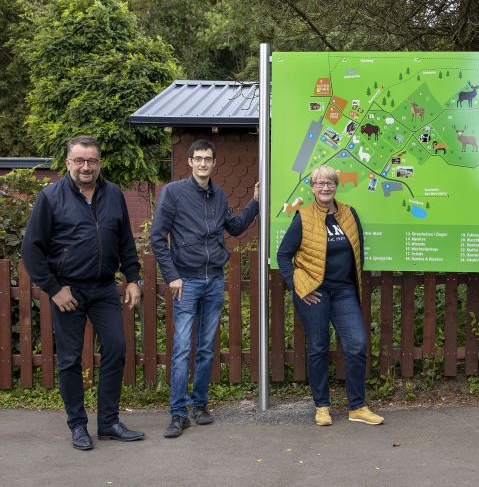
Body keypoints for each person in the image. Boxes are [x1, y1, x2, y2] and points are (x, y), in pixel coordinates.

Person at [21, 135, 144, 450]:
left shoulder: (113, 194)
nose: (86, 167)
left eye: (91, 161)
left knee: (116, 349)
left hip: (104, 289)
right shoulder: (50, 198)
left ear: (99, 163)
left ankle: (108, 423)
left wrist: (133, 278)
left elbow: (125, 242)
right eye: (79, 160)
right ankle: (78, 426)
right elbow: (31, 250)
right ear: (68, 163)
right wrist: (53, 289)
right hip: (68, 291)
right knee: (70, 360)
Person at [151, 139, 259, 438]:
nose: (202, 164)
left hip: (214, 280)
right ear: (189, 162)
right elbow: (158, 238)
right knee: (183, 347)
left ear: (214, 163)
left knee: (206, 348)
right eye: (197, 159)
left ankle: (199, 405)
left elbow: (234, 228)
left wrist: (256, 203)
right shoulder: (173, 193)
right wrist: (172, 276)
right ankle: (177, 412)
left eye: (207, 159)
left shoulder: (218, 194)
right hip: (185, 281)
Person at [277, 165, 383, 427]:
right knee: (318, 346)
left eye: (330, 183)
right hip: (316, 293)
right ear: (312, 188)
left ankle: (357, 407)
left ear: (337, 185)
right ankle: (322, 406)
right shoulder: (302, 217)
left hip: (344, 291)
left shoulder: (349, 214)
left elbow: (358, 252)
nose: (325, 187)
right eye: (319, 183)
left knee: (357, 345)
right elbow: (283, 255)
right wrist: (299, 287)